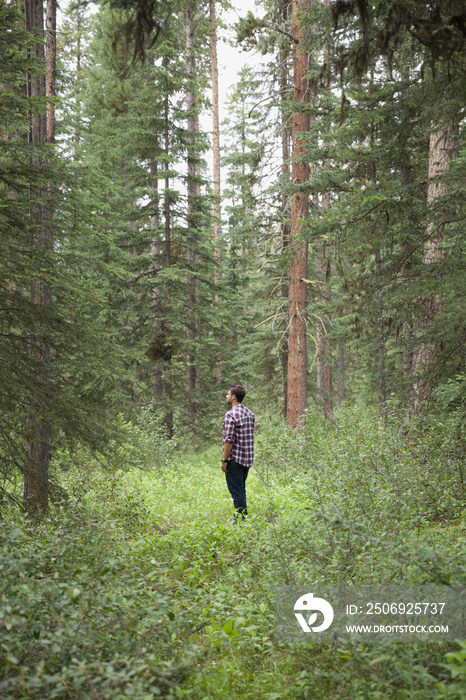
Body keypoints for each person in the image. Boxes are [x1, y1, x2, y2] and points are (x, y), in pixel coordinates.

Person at [221, 384, 255, 521]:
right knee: (241, 490)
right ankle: (241, 520)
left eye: (228, 394)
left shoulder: (230, 415)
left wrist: (224, 461)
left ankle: (241, 521)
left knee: (237, 493)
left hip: (235, 460)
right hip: (247, 460)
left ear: (233, 397)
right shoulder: (250, 414)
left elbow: (229, 440)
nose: (226, 396)